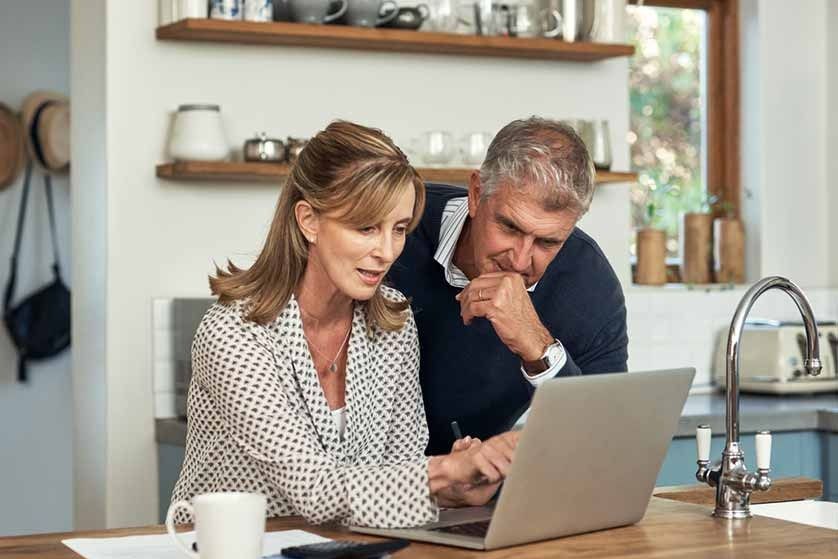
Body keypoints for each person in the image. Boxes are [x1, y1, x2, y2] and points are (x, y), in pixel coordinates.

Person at [170, 121, 518, 529]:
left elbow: (398, 469)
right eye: (366, 227)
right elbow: (313, 489)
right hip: (227, 553)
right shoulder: (234, 333)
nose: (387, 251)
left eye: (399, 229)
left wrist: (452, 491)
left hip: (344, 553)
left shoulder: (393, 324)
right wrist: (443, 472)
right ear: (309, 221)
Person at [388, 117, 628, 456]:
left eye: (547, 242)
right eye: (510, 227)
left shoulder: (589, 283)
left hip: (477, 480)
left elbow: (605, 442)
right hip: (366, 477)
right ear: (476, 193)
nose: (520, 260)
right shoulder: (396, 228)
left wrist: (539, 348)